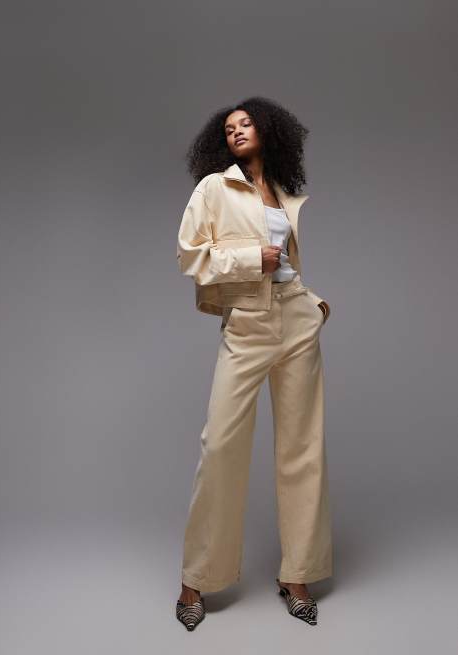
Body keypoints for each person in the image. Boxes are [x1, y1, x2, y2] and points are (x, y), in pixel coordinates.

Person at [175, 96, 333, 631]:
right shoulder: (214, 188)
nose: (238, 131)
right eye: (229, 128)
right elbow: (189, 255)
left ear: (268, 130)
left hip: (295, 319)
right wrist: (249, 258)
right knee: (220, 446)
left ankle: (298, 575)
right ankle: (195, 579)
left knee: (302, 449)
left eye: (246, 123)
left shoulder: (283, 191)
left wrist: (312, 303)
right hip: (247, 323)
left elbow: (289, 264)